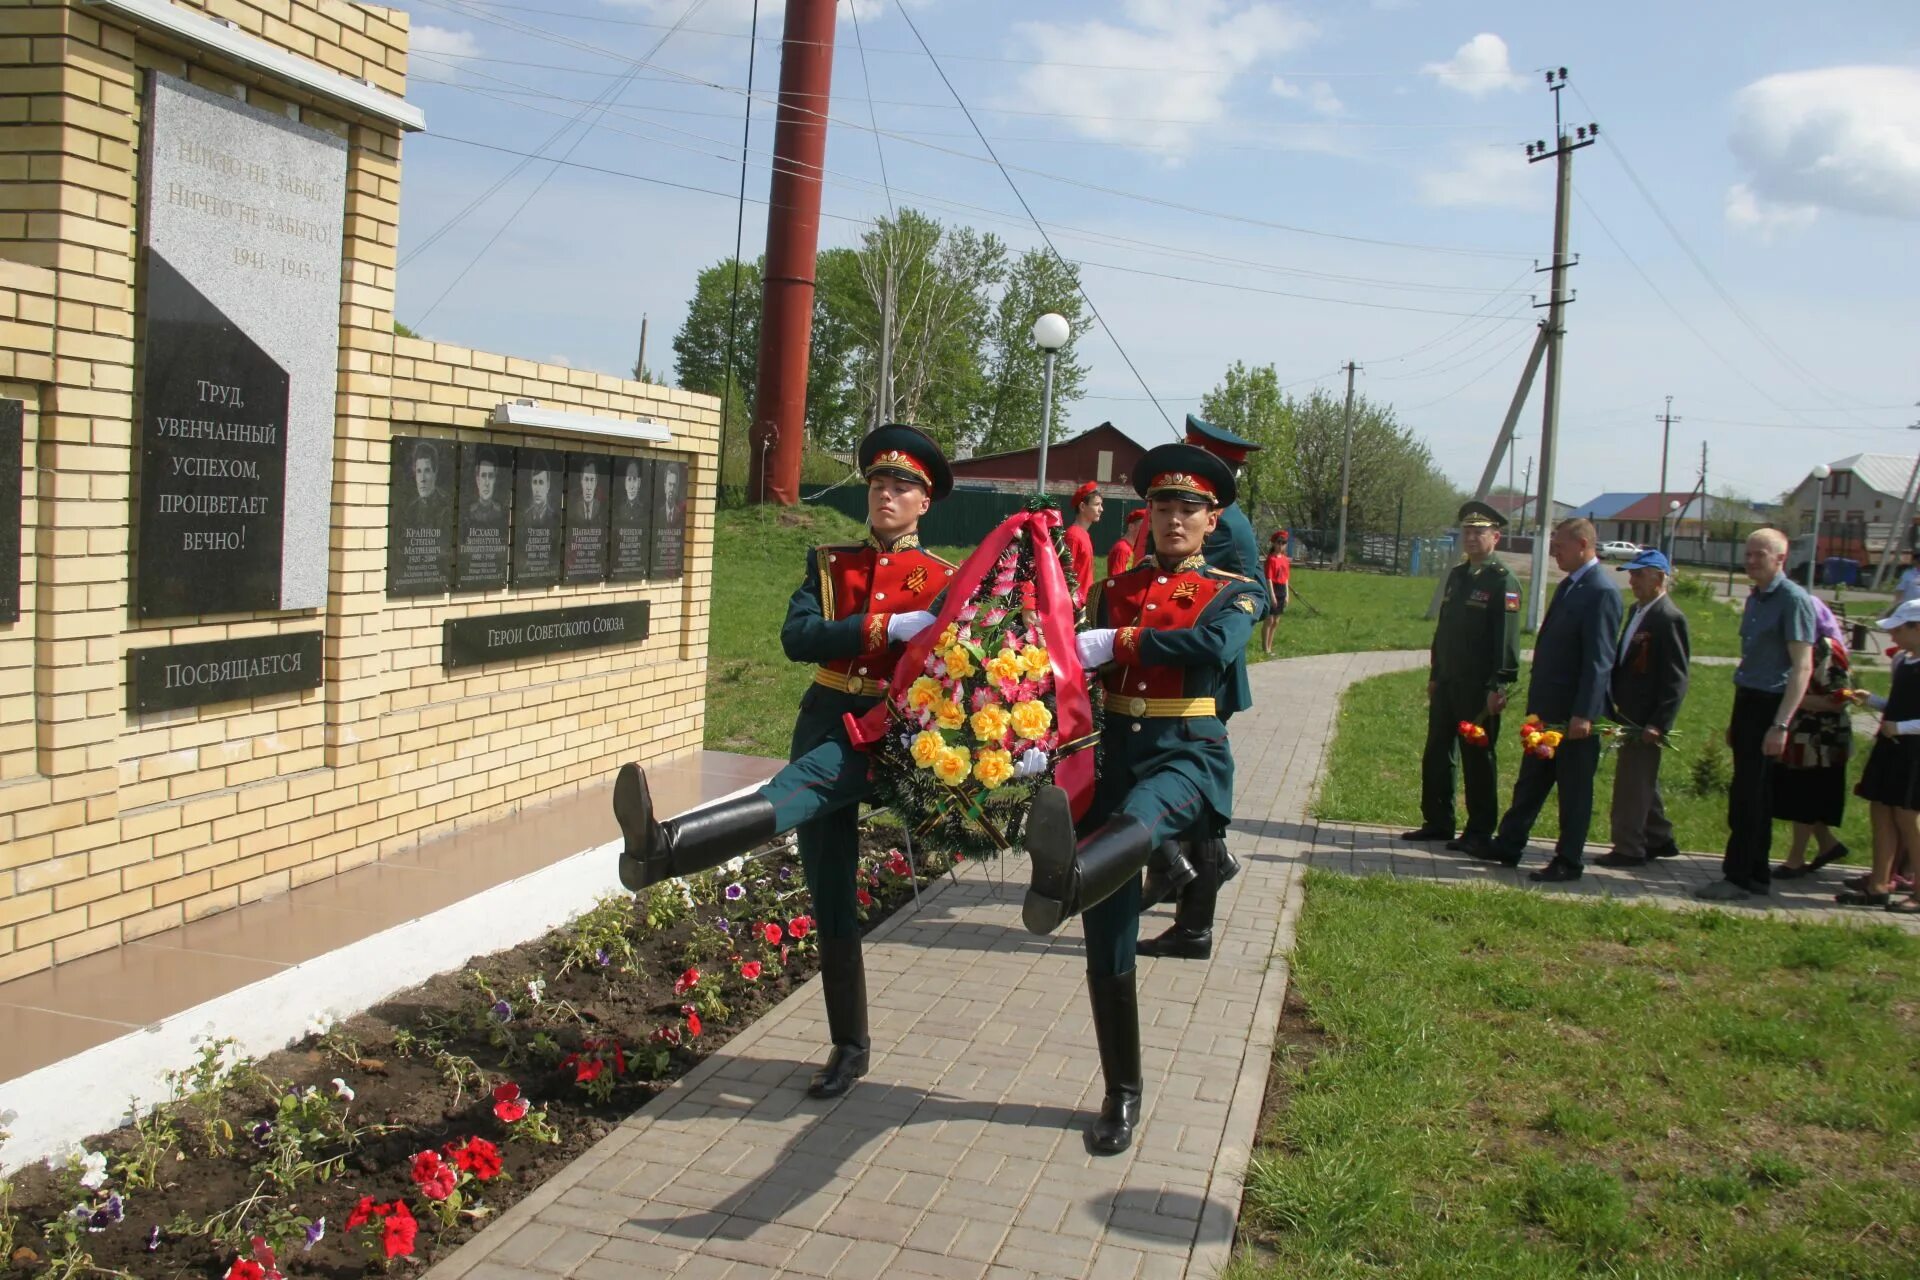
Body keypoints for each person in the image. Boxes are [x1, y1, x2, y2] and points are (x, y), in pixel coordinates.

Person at [612, 425, 954, 1098]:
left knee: (794, 791)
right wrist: (880, 629)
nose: (887, 495)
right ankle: (849, 1046)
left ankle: (665, 846)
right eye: (880, 484)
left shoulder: (941, 578)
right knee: (829, 890)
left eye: (902, 487)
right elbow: (798, 638)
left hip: (881, 731)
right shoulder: (830, 563)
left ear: (925, 504)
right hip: (825, 712)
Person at [1019, 443, 1264, 1154]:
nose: (1174, 518)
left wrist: (1118, 642)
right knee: (1110, 940)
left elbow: (1213, 646)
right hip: (1116, 756)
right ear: (1147, 515)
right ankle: (1121, 1091)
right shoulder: (1114, 589)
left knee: (1141, 820)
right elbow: (1079, 675)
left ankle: (1064, 881)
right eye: (1162, 506)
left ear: (1213, 518)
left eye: (1189, 507)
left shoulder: (1234, 590)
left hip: (1186, 754)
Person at [1131, 416, 1265, 963]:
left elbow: (1226, 599)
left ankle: (1180, 873)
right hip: (1168, 661)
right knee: (1172, 782)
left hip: (1199, 671)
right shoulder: (1206, 513)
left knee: (1186, 775)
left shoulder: (1224, 523)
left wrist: (1132, 640)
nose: (1175, 515)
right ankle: (1187, 873)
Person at [1473, 518, 1621, 881]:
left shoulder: (1601, 591)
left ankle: (1568, 860)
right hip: (1548, 712)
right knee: (1532, 781)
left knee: (1573, 791)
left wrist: (1584, 713)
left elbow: (1599, 661)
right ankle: (1509, 844)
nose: (1554, 551)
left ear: (1584, 545)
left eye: (1561, 545)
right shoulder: (1571, 585)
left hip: (1573, 716)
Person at [1697, 528, 1815, 900]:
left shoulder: (1793, 600)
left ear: (1780, 558)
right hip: (1747, 699)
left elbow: (1802, 667)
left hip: (1771, 703)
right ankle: (1752, 873)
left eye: (1759, 555)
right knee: (1745, 793)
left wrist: (1781, 724)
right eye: (1747, 554)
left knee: (1753, 795)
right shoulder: (1756, 598)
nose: (1750, 561)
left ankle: (1742, 876)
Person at [1401, 501, 1522, 857]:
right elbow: (1445, 630)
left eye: (1479, 532)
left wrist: (1499, 685)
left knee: (1478, 760)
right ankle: (1438, 821)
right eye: (1467, 531)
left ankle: (1480, 830)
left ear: (1495, 537)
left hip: (1479, 688)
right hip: (1449, 683)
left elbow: (1506, 639)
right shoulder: (1458, 575)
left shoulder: (1503, 580)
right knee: (1437, 753)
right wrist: (1436, 674)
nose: (1471, 538)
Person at [1595, 549, 1690, 868]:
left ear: (1660, 578)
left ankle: (1629, 847)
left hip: (1645, 717)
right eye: (1631, 575)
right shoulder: (1638, 610)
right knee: (1642, 777)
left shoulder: (1668, 617)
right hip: (1628, 711)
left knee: (1631, 783)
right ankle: (1658, 836)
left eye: (1639, 575)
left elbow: (1676, 678)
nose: (1632, 581)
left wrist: (1659, 722)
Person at [1838, 599, 1920, 914]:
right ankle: (1879, 885)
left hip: (1913, 751)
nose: (1893, 637)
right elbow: (1900, 703)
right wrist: (1873, 701)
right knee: (1881, 812)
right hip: (1891, 746)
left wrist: (1901, 727)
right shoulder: (1902, 661)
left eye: (1898, 630)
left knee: (1907, 817)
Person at [1773, 596, 1854, 878]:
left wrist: (1791, 698)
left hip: (1822, 739)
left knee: (1805, 797)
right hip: (1801, 736)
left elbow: (1839, 699)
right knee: (1803, 796)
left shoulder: (1827, 649)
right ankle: (1828, 846)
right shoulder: (1798, 644)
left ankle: (1795, 860)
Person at [1063, 481, 1102, 607]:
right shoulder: (1073, 536)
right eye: (1097, 504)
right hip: (1075, 604)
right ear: (1083, 507)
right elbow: (1066, 575)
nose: (1101, 509)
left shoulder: (1084, 534)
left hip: (1084, 602)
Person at [1260, 530, 1291, 656]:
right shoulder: (1271, 560)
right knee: (1269, 620)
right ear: (1274, 543)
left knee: (1276, 621)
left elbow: (1286, 578)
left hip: (1282, 589)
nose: (1281, 545)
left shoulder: (1284, 559)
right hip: (1273, 588)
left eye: (1283, 543)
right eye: (1279, 542)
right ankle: (1265, 647)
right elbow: (1268, 578)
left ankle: (1270, 646)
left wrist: (1287, 594)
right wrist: (1271, 594)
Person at [468, 455, 505, 524]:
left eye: (490, 476)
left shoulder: (499, 511)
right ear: (478, 480)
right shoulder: (470, 511)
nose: (487, 483)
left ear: (494, 480)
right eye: (483, 475)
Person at [1108, 509, 1144, 576]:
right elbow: (1117, 580)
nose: (1146, 531)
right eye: (1143, 527)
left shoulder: (1132, 548)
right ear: (1131, 527)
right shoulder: (1122, 549)